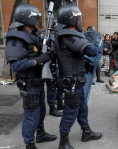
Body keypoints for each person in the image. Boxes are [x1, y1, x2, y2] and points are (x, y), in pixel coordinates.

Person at [5, 4, 57, 148]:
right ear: (26, 20)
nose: (37, 21)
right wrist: (37, 60)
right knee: (31, 115)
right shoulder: (16, 38)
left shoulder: (33, 35)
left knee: (41, 111)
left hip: (38, 82)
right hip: (28, 83)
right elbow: (15, 65)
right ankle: (29, 143)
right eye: (35, 19)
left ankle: (40, 134)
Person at [55, 5, 102, 148]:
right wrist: (92, 41)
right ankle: (63, 142)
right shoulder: (68, 36)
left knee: (82, 107)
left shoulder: (66, 35)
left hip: (76, 80)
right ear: (69, 20)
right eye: (77, 19)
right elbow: (92, 50)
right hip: (72, 81)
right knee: (71, 111)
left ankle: (86, 131)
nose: (79, 22)